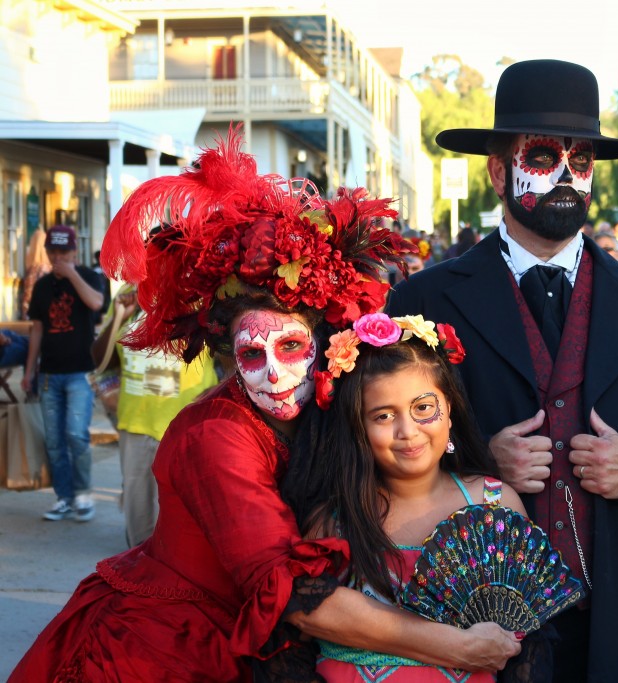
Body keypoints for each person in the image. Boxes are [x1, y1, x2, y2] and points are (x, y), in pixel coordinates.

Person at [10, 132, 520, 682]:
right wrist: (456, 648)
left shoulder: (328, 401)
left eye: (292, 347)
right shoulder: (215, 437)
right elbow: (300, 598)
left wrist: (481, 463)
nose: (275, 373)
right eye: (252, 354)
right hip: (163, 650)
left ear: (323, 341)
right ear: (229, 355)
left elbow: (404, 454)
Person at [388, 59, 618, 683]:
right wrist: (479, 460)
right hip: (472, 619)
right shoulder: (424, 303)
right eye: (544, 157)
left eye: (583, 162)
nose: (567, 178)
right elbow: (374, 443)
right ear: (499, 171)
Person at [283, 312, 532, 682]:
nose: (408, 431)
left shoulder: (495, 505)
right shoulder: (335, 520)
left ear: (449, 410)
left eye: (423, 408)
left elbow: (521, 627)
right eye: (383, 416)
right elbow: (305, 625)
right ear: (358, 430)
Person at [91, 283, 220, 547]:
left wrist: (214, 395)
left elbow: (230, 359)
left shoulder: (199, 292)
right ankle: (141, 579)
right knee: (138, 519)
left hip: (185, 426)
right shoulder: (129, 294)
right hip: (135, 425)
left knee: (181, 523)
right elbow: (100, 358)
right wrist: (119, 316)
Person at [22, 224, 105, 522]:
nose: (58, 257)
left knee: (76, 435)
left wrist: (71, 273)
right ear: (47, 252)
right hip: (49, 374)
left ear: (75, 251)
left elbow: (97, 303)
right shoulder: (43, 286)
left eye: (64, 252)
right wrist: (29, 371)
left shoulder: (90, 276)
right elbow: (36, 330)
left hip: (80, 372)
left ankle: (83, 496)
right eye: (53, 252)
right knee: (55, 440)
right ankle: (64, 498)